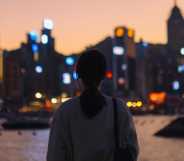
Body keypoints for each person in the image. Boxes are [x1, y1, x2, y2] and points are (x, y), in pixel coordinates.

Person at [47, 49, 139, 161]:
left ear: (78, 75)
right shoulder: (119, 108)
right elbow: (132, 151)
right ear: (103, 75)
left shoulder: (64, 112)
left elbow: (55, 155)